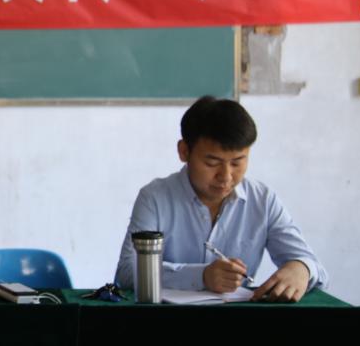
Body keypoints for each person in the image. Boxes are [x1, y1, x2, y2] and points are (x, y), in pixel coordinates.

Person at [114, 95, 328, 302]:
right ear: (184, 151)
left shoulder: (263, 200)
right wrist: (201, 276)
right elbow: (126, 272)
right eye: (212, 163)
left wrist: (302, 268)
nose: (226, 176)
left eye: (237, 162)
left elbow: (315, 268)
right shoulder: (155, 198)